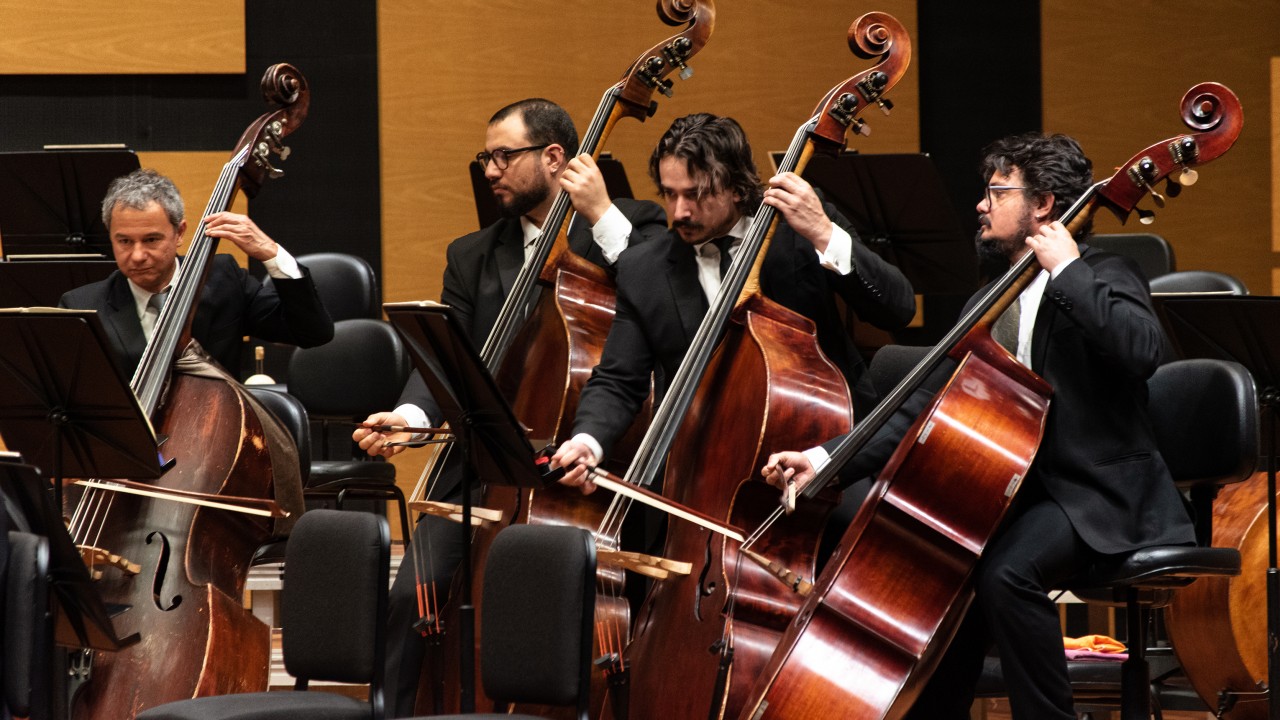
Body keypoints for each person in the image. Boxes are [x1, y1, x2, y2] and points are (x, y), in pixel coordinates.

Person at [760, 132, 1196, 720]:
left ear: (1042, 205)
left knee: (1006, 573)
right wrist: (823, 459)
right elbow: (920, 409)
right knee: (944, 577)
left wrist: (1067, 269)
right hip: (1012, 494)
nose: (981, 205)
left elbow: (1142, 352)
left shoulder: (1104, 273)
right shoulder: (985, 303)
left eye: (997, 192)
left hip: (1097, 494)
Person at [351, 97, 668, 717]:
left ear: (554, 157)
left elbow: (660, 302)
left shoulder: (635, 223)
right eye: (486, 157)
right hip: (487, 464)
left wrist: (600, 214)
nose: (490, 170)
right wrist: (413, 418)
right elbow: (449, 361)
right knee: (413, 595)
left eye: (503, 155)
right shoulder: (472, 255)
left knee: (583, 613)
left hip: (588, 463)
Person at [551, 112, 916, 489]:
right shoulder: (646, 268)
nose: (679, 212)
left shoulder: (796, 228)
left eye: (695, 195)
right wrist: (588, 441)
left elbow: (897, 308)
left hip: (827, 451)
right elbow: (618, 379)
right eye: (669, 193)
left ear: (737, 188)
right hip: (706, 470)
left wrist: (824, 233)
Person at [59, 168, 334, 377]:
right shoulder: (82, 307)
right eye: (124, 241)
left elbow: (313, 332)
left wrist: (272, 254)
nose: (138, 255)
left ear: (179, 233)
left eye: (152, 240)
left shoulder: (224, 279)